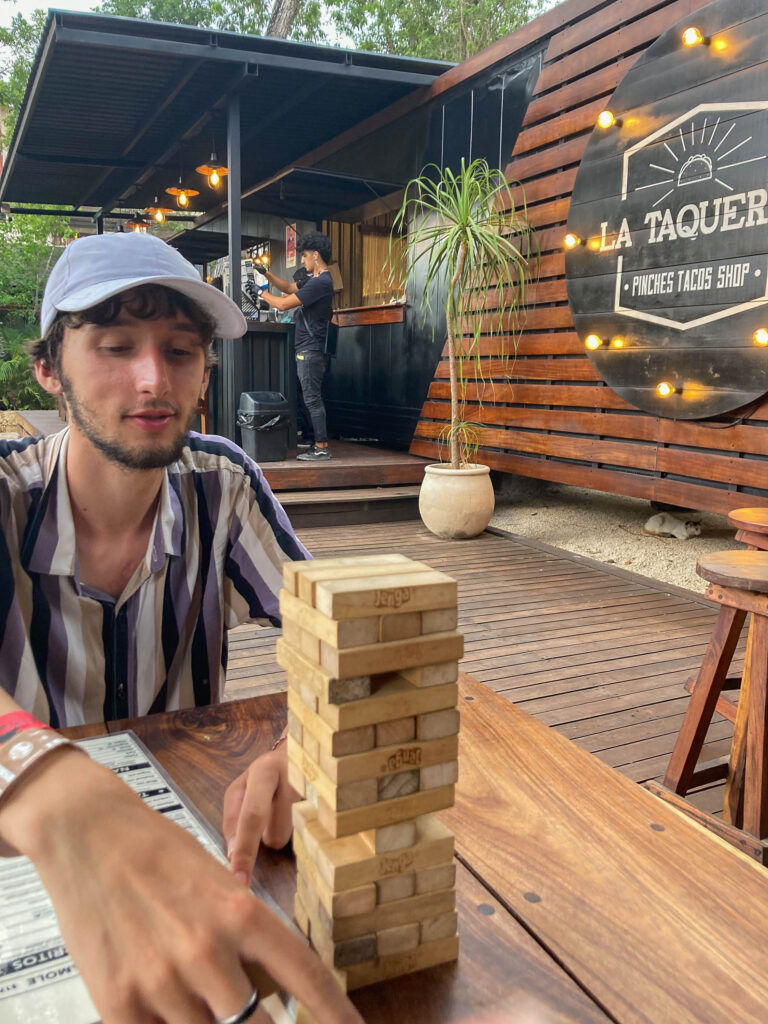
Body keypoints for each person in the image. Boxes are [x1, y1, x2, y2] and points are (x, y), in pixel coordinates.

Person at [0, 231, 362, 1024]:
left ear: (205, 372)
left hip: (203, 848)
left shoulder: (220, 484)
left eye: (180, 349)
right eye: (115, 346)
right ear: (49, 371)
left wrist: (297, 746)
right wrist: (42, 779)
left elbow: (345, 644)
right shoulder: (8, 495)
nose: (151, 378)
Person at [257, 232, 334, 463]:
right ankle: (316, 443)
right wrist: (266, 273)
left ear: (316, 255)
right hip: (308, 348)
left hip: (311, 348)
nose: (302, 260)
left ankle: (321, 447)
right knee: (308, 398)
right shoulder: (314, 280)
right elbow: (290, 287)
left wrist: (261, 293)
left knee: (312, 398)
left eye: (305, 256)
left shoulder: (321, 283)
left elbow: (282, 304)